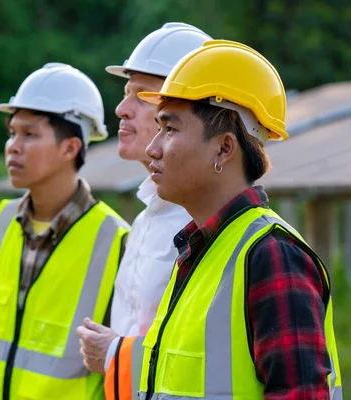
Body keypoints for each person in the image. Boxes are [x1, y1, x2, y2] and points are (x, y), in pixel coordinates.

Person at [109, 40, 343, 399]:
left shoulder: (272, 257)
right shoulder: (197, 251)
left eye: (169, 130)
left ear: (224, 148)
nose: (153, 148)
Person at [0, 62, 130, 400]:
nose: (13, 146)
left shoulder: (116, 241)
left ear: (70, 148)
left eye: (30, 134)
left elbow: (121, 363)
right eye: (12, 132)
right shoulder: (0, 225)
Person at [75, 22, 212, 399]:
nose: (121, 108)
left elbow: (207, 357)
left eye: (141, 95)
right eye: (125, 92)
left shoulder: (204, 225)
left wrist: (115, 352)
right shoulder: (145, 219)